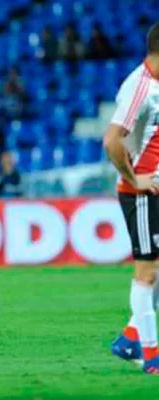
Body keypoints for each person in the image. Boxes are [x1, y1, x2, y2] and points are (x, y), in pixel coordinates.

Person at [105, 23, 159, 375]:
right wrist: (132, 177)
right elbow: (112, 140)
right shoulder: (139, 86)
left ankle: (128, 340)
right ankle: (153, 358)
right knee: (147, 273)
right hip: (140, 194)